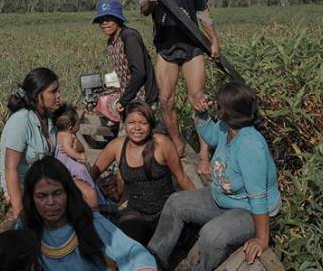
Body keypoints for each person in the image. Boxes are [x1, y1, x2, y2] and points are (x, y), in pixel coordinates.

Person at [147, 82, 281, 270]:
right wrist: (202, 114)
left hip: (250, 211)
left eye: (218, 105)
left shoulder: (250, 145)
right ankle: (151, 261)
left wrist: (261, 239)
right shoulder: (227, 127)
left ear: (226, 111)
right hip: (223, 198)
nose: (215, 106)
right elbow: (210, 135)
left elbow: (258, 198)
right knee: (175, 203)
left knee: (212, 235)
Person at [140, 0, 220, 177]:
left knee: (198, 99)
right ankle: (177, 141)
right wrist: (150, 5)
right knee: (166, 100)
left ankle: (205, 153)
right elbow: (142, 9)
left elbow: (202, 10)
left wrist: (214, 40)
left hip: (192, 46)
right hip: (166, 48)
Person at [20, 156, 157, 271]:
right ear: (31, 199)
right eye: (42, 196)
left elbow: (136, 255)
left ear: (68, 193)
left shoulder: (90, 222)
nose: (51, 202)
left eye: (57, 193)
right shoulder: (25, 229)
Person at [91, 102, 194, 246]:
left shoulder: (162, 144)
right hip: (135, 213)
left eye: (143, 123)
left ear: (150, 125)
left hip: (167, 212)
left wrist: (199, 202)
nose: (137, 128)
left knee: (172, 246)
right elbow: (92, 173)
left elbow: (181, 177)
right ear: (124, 124)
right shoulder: (117, 146)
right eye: (131, 122)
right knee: (128, 246)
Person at [0, 67, 62, 218]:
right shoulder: (21, 121)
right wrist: (18, 213)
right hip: (23, 187)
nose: (59, 96)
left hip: (43, 183)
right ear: (37, 95)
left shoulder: (48, 119)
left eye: (58, 90)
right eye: (53, 92)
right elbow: (10, 169)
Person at [93, 0, 159, 113]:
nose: (104, 23)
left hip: (143, 101)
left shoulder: (129, 37)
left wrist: (123, 100)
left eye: (108, 19)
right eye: (101, 20)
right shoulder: (111, 42)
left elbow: (139, 73)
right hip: (131, 99)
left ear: (118, 19)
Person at [52, 103, 98, 207]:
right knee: (81, 169)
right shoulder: (68, 136)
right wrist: (79, 156)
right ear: (70, 127)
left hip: (60, 159)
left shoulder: (59, 133)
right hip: (66, 161)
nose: (79, 126)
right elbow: (68, 150)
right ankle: (90, 186)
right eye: (78, 124)